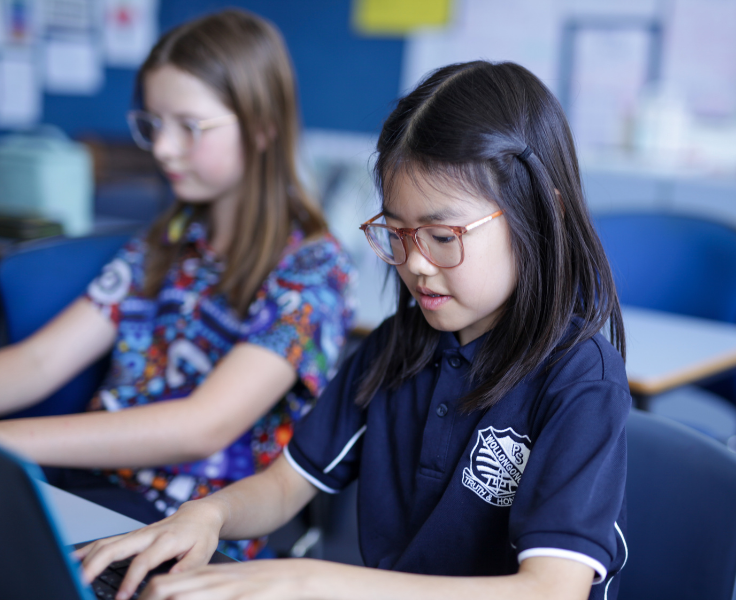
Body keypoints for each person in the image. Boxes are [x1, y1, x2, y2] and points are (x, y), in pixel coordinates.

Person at [79, 60, 630, 600]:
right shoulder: (398, 346)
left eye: (442, 236)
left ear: (541, 214)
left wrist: (311, 581)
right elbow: (285, 485)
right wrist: (207, 514)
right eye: (397, 232)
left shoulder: (581, 380)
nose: (415, 263)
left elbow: (551, 590)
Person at [0, 9, 354, 561]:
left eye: (188, 126)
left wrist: (8, 444)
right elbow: (40, 362)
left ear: (262, 127)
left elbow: (203, 426)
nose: (162, 148)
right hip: (88, 484)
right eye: (153, 124)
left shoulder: (312, 272)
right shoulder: (164, 240)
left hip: (187, 523)